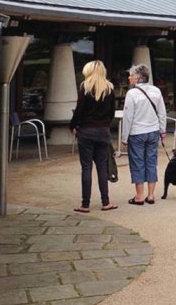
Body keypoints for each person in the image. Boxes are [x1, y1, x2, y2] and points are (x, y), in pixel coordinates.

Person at [69, 60, 118, 213]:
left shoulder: (85, 86)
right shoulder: (110, 88)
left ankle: (85, 204)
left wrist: (73, 125)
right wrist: (105, 124)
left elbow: (79, 110)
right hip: (103, 131)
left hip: (86, 130)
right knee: (102, 167)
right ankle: (106, 202)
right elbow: (112, 112)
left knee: (86, 167)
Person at [122, 63, 167, 205]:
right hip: (153, 131)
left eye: (132, 75)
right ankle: (151, 195)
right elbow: (162, 112)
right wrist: (162, 129)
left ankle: (139, 196)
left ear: (139, 78)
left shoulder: (131, 94)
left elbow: (128, 117)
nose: (129, 78)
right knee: (151, 162)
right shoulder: (156, 91)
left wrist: (124, 136)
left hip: (137, 133)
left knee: (138, 162)